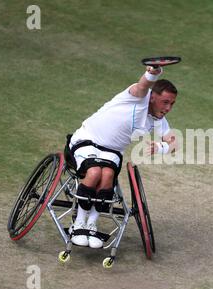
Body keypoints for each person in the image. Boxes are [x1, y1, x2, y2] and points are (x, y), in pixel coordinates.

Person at [66, 65, 177, 248]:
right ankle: (78, 223)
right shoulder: (136, 97)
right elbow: (142, 86)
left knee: (108, 176)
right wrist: (153, 72)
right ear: (153, 97)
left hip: (112, 152)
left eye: (172, 104)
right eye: (165, 102)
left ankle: (91, 225)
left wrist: (161, 146)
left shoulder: (159, 120)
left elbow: (175, 143)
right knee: (94, 173)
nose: (168, 108)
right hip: (87, 139)